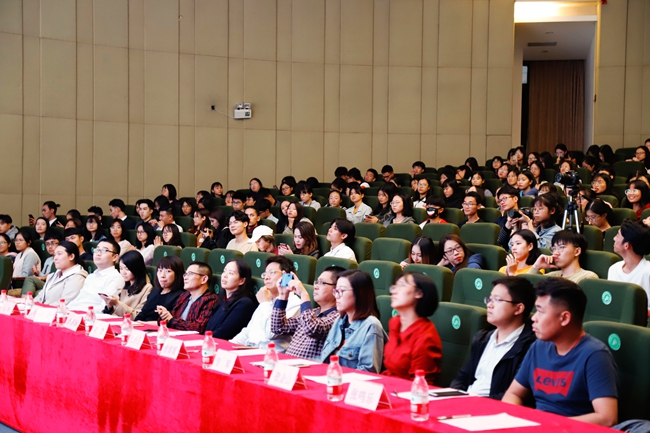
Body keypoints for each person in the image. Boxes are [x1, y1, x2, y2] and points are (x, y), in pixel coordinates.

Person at [502, 278, 619, 427]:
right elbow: (513, 394)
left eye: (540, 311)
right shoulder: (538, 347)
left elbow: (607, 418)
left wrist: (551, 425)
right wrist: (522, 420)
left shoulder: (595, 355)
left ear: (564, 318)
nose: (534, 318)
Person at [452, 276, 536, 399]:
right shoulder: (482, 338)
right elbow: (463, 377)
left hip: (493, 406)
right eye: (489, 299)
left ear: (518, 308)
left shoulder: (530, 346)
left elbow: (515, 394)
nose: (489, 305)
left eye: (497, 300)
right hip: (466, 400)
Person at [319, 269, 387, 372]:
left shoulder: (371, 325)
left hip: (351, 381)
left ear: (359, 293)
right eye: (336, 291)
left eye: (341, 291)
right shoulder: (339, 321)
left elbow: (368, 371)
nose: (337, 296)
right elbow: (325, 360)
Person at [230, 256, 302, 351]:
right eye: (265, 274)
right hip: (251, 350)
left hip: (271, 355)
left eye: (272, 273)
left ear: (286, 277)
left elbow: (271, 333)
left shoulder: (295, 303)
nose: (266, 277)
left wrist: (264, 303)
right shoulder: (267, 300)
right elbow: (248, 331)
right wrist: (229, 345)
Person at [271, 266, 342, 360]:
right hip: (288, 364)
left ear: (337, 290)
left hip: (309, 367)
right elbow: (278, 328)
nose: (315, 287)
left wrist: (304, 294)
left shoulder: (339, 316)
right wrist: (283, 295)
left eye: (322, 283)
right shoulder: (314, 312)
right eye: (316, 282)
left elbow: (312, 329)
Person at [382, 273, 442, 384]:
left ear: (419, 293)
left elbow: (420, 385)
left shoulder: (426, 337)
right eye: (394, 287)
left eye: (401, 286)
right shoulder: (395, 322)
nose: (394, 292)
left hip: (408, 391)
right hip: (388, 384)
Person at [156, 262, 218, 334]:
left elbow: (199, 327)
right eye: (185, 274)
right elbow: (171, 317)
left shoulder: (211, 299)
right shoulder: (184, 296)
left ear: (204, 279)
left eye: (190, 274)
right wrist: (164, 315)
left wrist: (171, 320)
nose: (185, 278)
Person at [205, 259, 258, 339]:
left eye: (230, 273)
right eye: (224, 271)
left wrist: (205, 340)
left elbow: (223, 333)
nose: (225, 275)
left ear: (241, 280)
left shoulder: (244, 303)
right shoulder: (222, 299)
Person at [67, 240, 124, 311]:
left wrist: (78, 312)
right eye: (97, 250)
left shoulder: (115, 278)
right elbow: (78, 299)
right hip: (77, 313)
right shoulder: (91, 276)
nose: (98, 253)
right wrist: (66, 309)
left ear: (115, 257)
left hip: (92, 315)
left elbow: (104, 308)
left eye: (104, 250)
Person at [608, 219, 650, 310]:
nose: (614, 238)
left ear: (626, 245)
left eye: (617, 235)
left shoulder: (648, 272)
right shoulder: (613, 269)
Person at [528, 230, 598, 283]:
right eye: (554, 248)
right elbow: (524, 290)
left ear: (577, 251)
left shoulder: (587, 277)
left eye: (561, 247)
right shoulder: (551, 276)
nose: (556, 253)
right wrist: (536, 267)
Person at [102, 251, 153, 318]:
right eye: (121, 268)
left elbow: (138, 316)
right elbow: (114, 312)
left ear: (137, 268)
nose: (123, 272)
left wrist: (117, 303)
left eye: (127, 269)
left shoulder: (147, 288)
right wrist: (109, 307)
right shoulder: (123, 284)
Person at [135, 256, 185, 322]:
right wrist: (135, 323)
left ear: (177, 275)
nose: (162, 275)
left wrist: (144, 324)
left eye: (168, 271)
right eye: (160, 271)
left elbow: (169, 322)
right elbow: (143, 313)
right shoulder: (155, 290)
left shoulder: (180, 296)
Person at [494, 185, 521, 250]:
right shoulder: (498, 221)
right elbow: (499, 243)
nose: (502, 202)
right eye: (500, 200)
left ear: (515, 199)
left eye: (505, 198)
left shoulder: (526, 218)